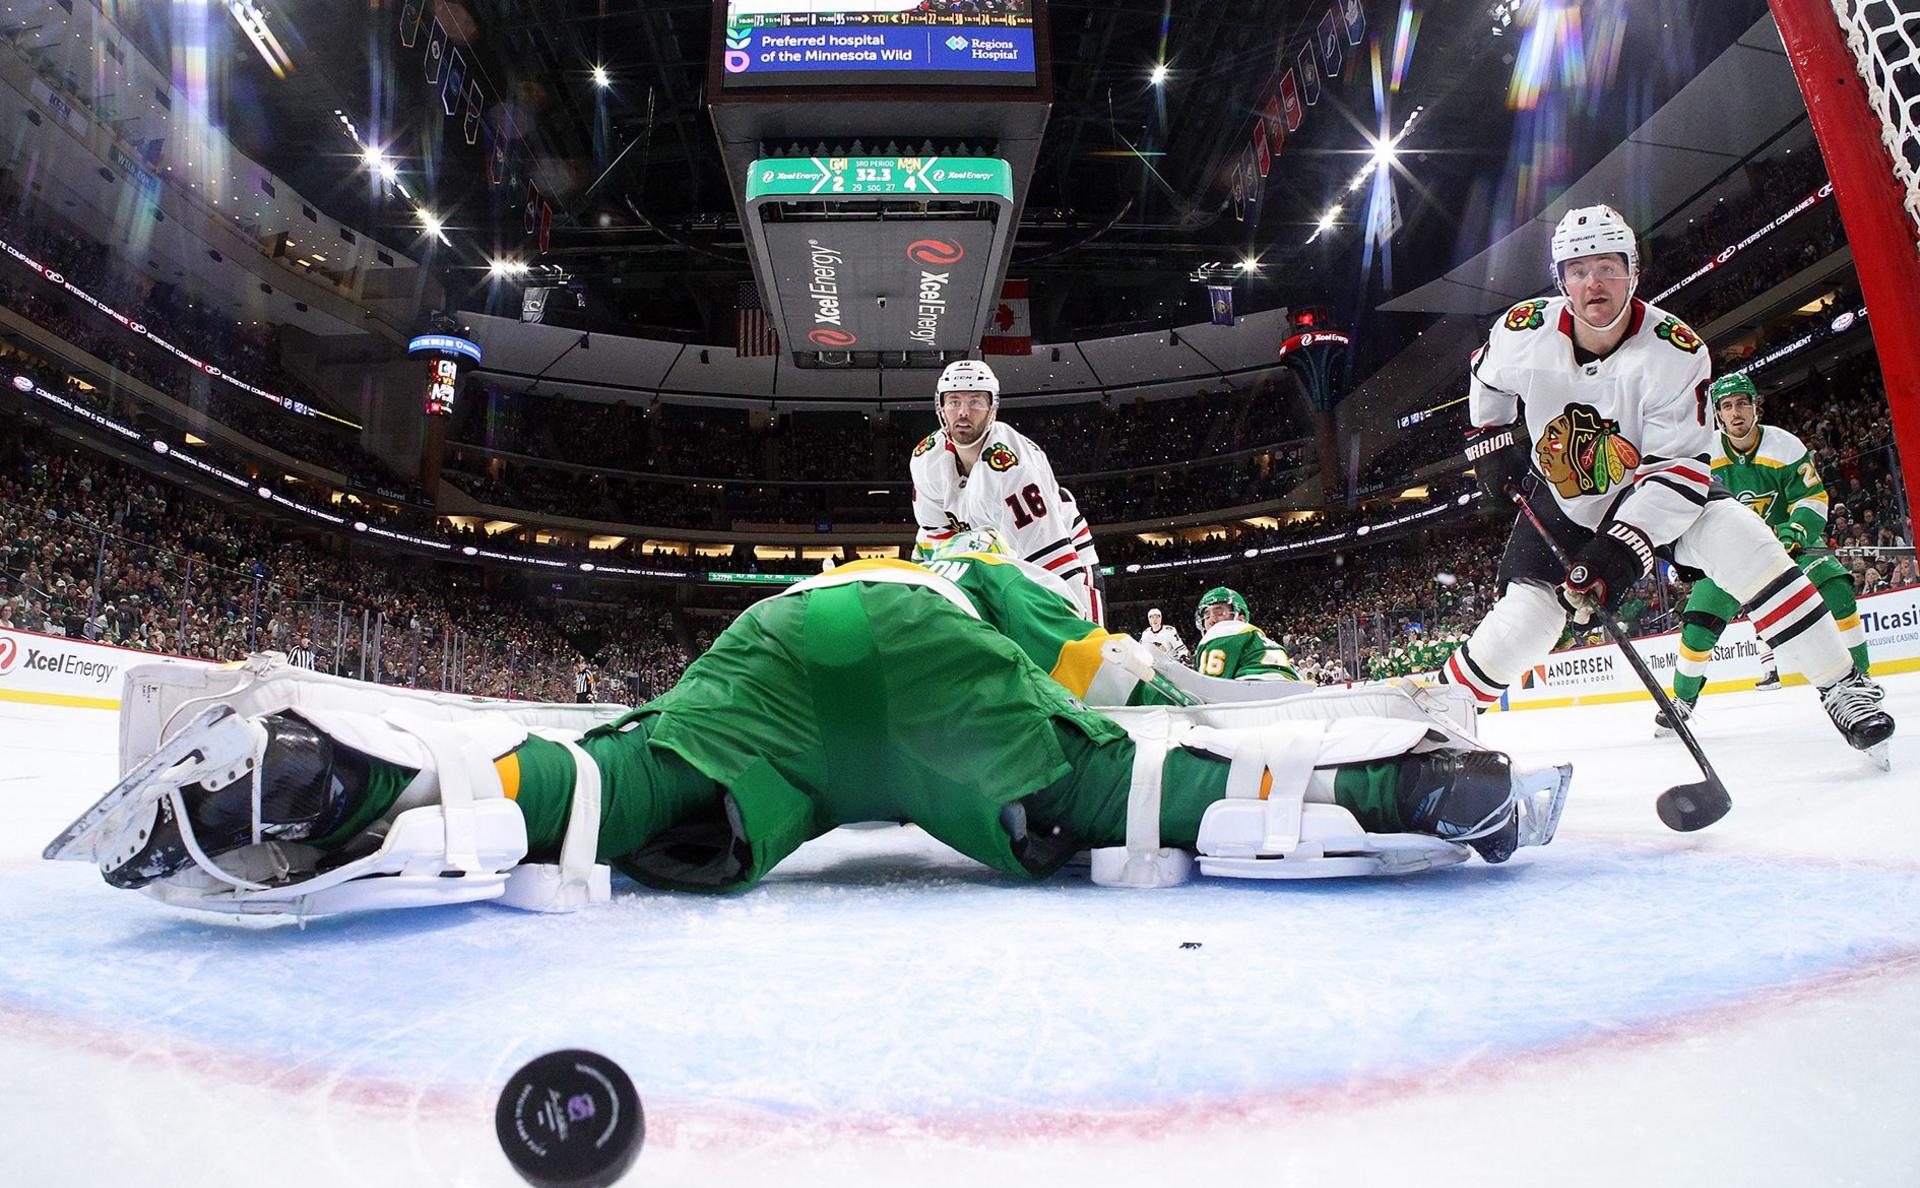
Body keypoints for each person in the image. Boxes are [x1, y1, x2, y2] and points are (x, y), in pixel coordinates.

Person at [49, 534, 1570, 917]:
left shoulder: (811, 578)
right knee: (1136, 792)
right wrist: (1189, 700)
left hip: (770, 667)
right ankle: (1403, 788)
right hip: (941, 675)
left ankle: (340, 783)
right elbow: (1113, 682)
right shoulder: (981, 569)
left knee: (620, 783)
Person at [1443, 204, 1892, 762]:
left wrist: (1620, 552)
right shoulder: (1523, 330)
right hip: (1563, 499)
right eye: (1578, 270)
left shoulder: (1675, 351)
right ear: (1561, 281)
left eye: (1607, 266)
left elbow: (1678, 473)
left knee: (1744, 542)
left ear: (1633, 271)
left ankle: (1843, 682)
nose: (1593, 283)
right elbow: (1485, 376)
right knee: (1527, 624)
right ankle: (1437, 719)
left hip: (1654, 486)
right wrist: (1488, 439)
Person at [1665, 372, 1872, 718]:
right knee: (1698, 628)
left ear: (1755, 407)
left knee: (1837, 589)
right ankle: (1683, 700)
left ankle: (1860, 682)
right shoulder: (1703, 453)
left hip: (1786, 546)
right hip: (1728, 555)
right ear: (1717, 415)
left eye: (1743, 403)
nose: (1736, 413)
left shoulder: (1785, 445)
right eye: (1727, 406)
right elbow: (1685, 505)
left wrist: (1797, 530)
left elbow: (1811, 497)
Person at [911, 359, 1103, 622]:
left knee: (1083, 649)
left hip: (1061, 554)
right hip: (994, 557)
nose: (963, 412)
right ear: (941, 406)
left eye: (975, 401)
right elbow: (934, 540)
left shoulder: (1013, 469)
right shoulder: (926, 458)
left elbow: (1053, 562)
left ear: (992, 408)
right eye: (954, 401)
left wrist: (1076, 629)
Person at [1191, 586, 1303, 683]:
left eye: (1220, 613)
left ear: (1240, 619)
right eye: (1207, 615)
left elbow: (1210, 686)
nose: (1212, 620)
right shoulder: (1262, 640)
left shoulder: (1225, 632)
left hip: (1253, 687)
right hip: (1290, 687)